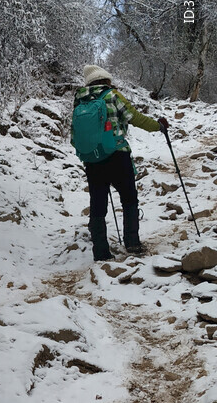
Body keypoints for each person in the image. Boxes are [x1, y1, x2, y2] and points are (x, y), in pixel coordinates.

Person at [72, 65, 169, 260]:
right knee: (129, 198)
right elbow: (135, 118)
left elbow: (75, 133)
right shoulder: (112, 95)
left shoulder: (79, 100)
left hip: (92, 158)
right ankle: (132, 244)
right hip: (117, 155)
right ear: (105, 80)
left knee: (98, 204)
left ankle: (101, 253)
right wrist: (158, 126)